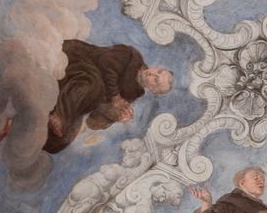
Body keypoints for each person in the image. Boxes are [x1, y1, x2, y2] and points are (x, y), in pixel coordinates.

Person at [37, 40, 173, 154]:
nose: (152, 74)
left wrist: (113, 116)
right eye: (159, 71)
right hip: (76, 59)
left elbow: (92, 121)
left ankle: (40, 128)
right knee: (95, 84)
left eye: (156, 79)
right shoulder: (132, 57)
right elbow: (104, 62)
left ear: (153, 90)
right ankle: (58, 115)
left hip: (80, 93)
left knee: (62, 139)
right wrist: (116, 97)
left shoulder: (133, 93)